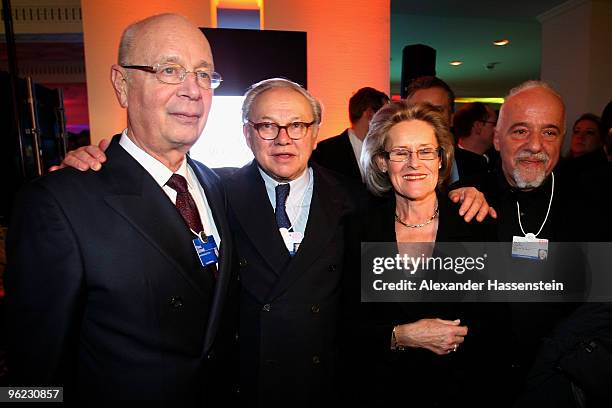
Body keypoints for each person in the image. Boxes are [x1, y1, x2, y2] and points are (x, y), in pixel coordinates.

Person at [5, 14, 236, 405]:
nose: (192, 90)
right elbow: (32, 363)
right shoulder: (59, 203)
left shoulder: (217, 186)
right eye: (169, 70)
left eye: (203, 74)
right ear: (122, 84)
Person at [343, 101, 497, 406]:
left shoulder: (476, 224)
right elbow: (345, 326)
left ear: (441, 159)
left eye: (426, 151)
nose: (414, 163)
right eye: (400, 152)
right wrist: (400, 336)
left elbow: (497, 329)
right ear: (383, 163)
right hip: (380, 392)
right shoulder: (357, 228)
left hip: (459, 392)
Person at [310, 87, 389, 180]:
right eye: (385, 115)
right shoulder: (324, 152)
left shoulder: (386, 151)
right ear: (370, 113)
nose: (389, 121)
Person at [404, 75, 461, 184]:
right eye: (420, 111)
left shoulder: (477, 165)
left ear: (451, 118)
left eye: (437, 110)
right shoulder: (394, 166)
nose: (429, 117)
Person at [453, 101, 499, 180]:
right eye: (494, 124)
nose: (497, 129)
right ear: (478, 126)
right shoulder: (452, 165)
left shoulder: (498, 160)